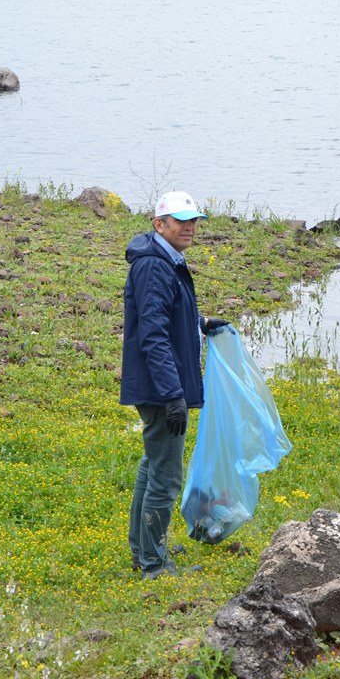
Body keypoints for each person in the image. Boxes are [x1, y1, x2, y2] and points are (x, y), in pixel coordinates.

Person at [120, 190, 226, 579]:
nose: (190, 227)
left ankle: (147, 547)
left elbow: (165, 316)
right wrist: (172, 395)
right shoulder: (155, 266)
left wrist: (199, 324)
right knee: (166, 479)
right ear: (159, 224)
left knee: (153, 466)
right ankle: (153, 563)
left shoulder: (166, 259)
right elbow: (152, 334)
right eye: (181, 220)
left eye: (194, 219)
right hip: (159, 388)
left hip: (159, 385)